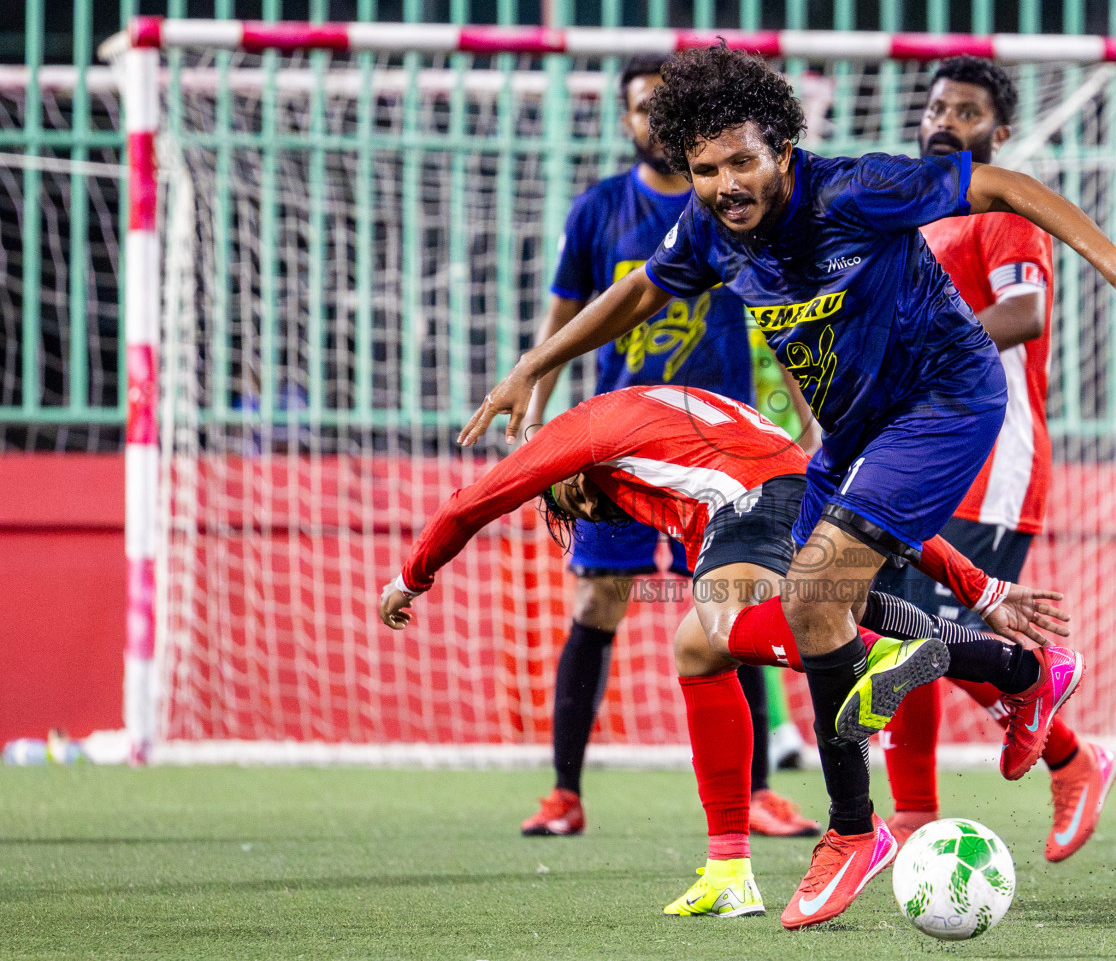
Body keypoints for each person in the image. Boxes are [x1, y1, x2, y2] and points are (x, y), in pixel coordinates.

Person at [456, 43, 1116, 928]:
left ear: (781, 147)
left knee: (813, 600)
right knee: (712, 635)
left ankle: (856, 829)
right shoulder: (706, 227)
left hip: (945, 400)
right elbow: (640, 294)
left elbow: (1008, 189)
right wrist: (531, 364)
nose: (726, 184)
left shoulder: (855, 189)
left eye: (742, 161)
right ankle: (1021, 677)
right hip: (856, 434)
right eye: (705, 169)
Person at [379, 385, 1071, 921]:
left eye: (568, 499)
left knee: (720, 627)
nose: (586, 510)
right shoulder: (683, 436)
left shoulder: (579, 433)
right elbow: (870, 510)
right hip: (801, 489)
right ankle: (1020, 673)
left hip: (752, 501)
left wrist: (411, 577)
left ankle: (859, 744)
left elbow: (474, 502)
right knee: (726, 641)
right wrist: (979, 591)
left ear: (563, 470)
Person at [519, 54, 817, 840]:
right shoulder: (596, 213)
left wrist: (807, 415)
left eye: (662, 105)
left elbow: (780, 313)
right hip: (617, 454)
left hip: (721, 455)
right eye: (639, 107)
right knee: (598, 603)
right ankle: (564, 793)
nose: (651, 119)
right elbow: (562, 322)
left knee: (732, 608)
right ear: (626, 121)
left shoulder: (729, 206)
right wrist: (536, 413)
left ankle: (755, 794)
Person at [875, 56, 1116, 861]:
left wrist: (920, 362)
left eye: (969, 112)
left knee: (930, 635)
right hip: (914, 457)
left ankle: (1073, 756)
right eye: (939, 106)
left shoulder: (1001, 207)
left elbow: (1026, 311)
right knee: (891, 633)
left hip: (991, 460)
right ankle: (913, 815)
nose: (947, 120)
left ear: (999, 132)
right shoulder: (914, 224)